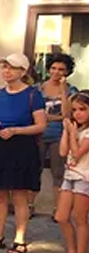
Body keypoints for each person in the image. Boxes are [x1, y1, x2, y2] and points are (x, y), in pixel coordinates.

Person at [0, 53, 47, 253]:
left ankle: (19, 239)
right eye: (4, 67)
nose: (6, 71)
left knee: (19, 196)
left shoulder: (33, 95)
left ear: (22, 72)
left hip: (22, 148)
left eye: (11, 68)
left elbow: (41, 125)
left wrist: (16, 130)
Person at [54, 91, 89, 253]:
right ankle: (72, 251)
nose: (78, 113)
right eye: (74, 110)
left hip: (84, 178)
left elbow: (76, 154)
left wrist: (74, 134)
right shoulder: (77, 129)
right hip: (70, 176)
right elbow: (62, 152)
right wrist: (67, 132)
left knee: (80, 218)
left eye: (82, 109)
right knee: (61, 216)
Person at [38, 53, 78, 212]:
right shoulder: (38, 88)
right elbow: (36, 113)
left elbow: (67, 114)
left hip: (59, 136)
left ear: (67, 72)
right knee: (35, 169)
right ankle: (30, 205)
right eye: (53, 68)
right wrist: (55, 117)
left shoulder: (71, 90)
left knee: (58, 172)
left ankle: (58, 208)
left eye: (61, 69)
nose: (56, 72)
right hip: (39, 133)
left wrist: (63, 92)